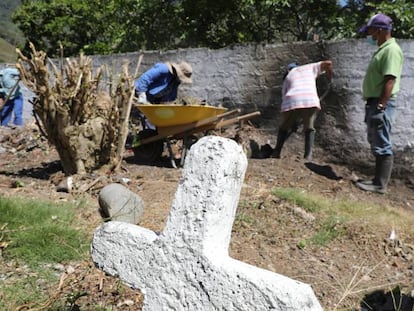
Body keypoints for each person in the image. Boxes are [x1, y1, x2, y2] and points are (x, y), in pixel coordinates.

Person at [354, 13, 404, 194]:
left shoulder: (391, 50)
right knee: (376, 141)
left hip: (381, 103)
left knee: (382, 142)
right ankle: (376, 181)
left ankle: (380, 185)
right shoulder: (384, 49)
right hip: (375, 102)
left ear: (381, 30)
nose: (370, 35)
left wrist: (381, 106)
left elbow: (390, 80)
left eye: (371, 31)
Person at [271, 60, 333, 160]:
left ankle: (276, 152)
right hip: (310, 99)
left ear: (288, 70)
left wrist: (291, 123)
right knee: (309, 128)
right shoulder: (309, 67)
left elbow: (285, 100)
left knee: (283, 128)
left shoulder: (288, 76)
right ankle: (308, 156)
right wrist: (329, 77)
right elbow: (328, 63)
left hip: (291, 100)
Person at [134, 61, 193, 129]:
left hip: (153, 101)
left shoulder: (175, 81)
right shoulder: (163, 69)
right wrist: (141, 94)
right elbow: (145, 78)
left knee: (152, 122)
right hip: (141, 95)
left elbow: (170, 96)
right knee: (140, 118)